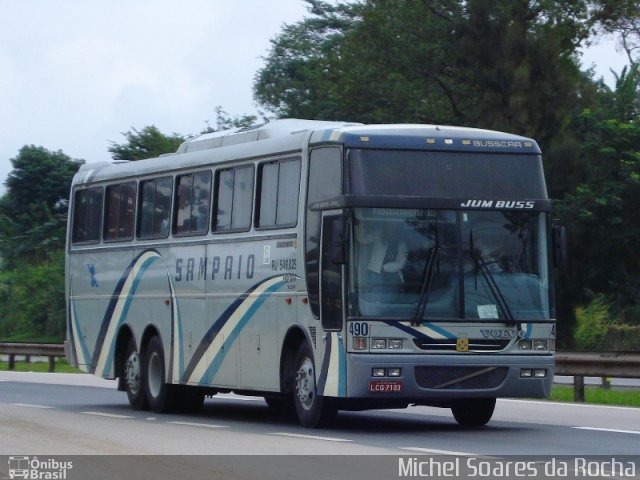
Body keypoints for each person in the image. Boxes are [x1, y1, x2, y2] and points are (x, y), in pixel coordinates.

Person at [358, 221, 408, 292]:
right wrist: (362, 222)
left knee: (390, 299)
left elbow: (401, 264)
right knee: (377, 297)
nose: (391, 228)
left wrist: (384, 268)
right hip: (375, 273)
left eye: (393, 226)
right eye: (389, 226)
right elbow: (362, 239)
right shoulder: (377, 234)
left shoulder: (401, 244)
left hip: (393, 276)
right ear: (385, 226)